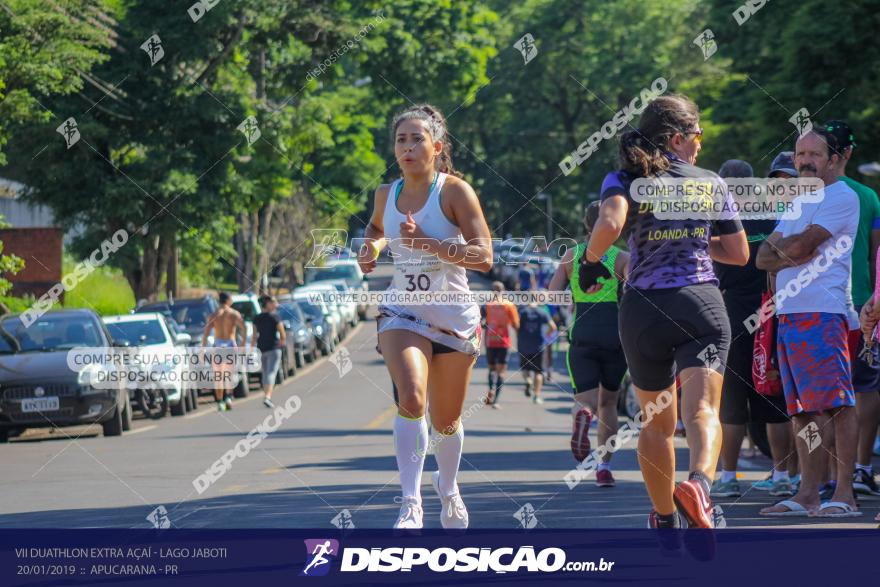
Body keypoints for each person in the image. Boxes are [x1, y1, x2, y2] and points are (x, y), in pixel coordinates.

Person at [580, 94, 748, 529]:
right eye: (697, 137)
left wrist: (592, 259)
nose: (700, 146)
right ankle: (700, 487)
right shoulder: (711, 181)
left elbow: (610, 225)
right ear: (677, 137)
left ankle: (664, 516)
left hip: (644, 311)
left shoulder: (623, 178)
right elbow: (738, 253)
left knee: (656, 425)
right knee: (702, 412)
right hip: (701, 306)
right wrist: (690, 238)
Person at [358, 103, 492, 530]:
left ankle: (448, 489)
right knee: (412, 397)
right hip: (403, 310)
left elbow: (484, 257)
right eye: (401, 139)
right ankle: (410, 502)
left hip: (453, 316)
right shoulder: (386, 194)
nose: (408, 146)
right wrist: (372, 248)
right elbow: (378, 229)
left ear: (437, 146)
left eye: (418, 139)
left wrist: (430, 242)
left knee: (446, 420)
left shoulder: (454, 192)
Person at [756, 128, 861, 518]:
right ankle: (807, 494)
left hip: (824, 313)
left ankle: (845, 494)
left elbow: (798, 247)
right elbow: (762, 258)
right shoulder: (799, 200)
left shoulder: (843, 197)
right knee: (801, 410)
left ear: (837, 157)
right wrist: (787, 252)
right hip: (790, 313)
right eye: (800, 154)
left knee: (836, 405)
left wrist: (787, 251)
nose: (804, 162)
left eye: (814, 154)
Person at [710, 159, 795, 499]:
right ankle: (782, 476)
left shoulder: (717, 222)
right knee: (772, 396)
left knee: (730, 402)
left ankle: (728, 478)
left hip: (728, 314)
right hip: (769, 312)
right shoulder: (775, 219)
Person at [549, 201, 630, 487]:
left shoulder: (571, 255)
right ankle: (604, 467)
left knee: (584, 400)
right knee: (608, 403)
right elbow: (635, 294)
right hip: (614, 333)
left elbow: (552, 294)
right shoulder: (621, 258)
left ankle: (583, 414)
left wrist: (572, 300)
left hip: (582, 329)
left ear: (586, 225)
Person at [823, 120, 880, 497]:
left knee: (828, 391)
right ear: (849, 154)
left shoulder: (806, 195)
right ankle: (860, 468)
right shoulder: (869, 197)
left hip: (823, 303)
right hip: (861, 299)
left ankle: (830, 477)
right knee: (865, 385)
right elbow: (877, 255)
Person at [202, 292, 246, 412]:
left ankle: (220, 401)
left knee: (219, 376)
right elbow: (243, 328)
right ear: (228, 300)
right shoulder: (234, 314)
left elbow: (205, 333)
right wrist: (242, 344)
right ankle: (228, 397)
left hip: (219, 344)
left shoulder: (214, 315)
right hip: (230, 343)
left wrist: (203, 349)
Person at [482, 281, 519, 408]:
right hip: (504, 341)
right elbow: (516, 325)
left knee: (491, 369)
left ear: (492, 291)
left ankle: (490, 389)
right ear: (504, 290)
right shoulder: (509, 305)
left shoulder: (487, 304)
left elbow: (481, 322)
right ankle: (496, 400)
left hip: (490, 341)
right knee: (501, 372)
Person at [517, 301, 556, 405]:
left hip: (523, 345)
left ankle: (528, 381)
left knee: (525, 368)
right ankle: (536, 395)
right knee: (538, 372)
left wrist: (519, 335)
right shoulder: (542, 312)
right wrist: (546, 336)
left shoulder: (522, 312)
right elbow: (553, 327)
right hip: (538, 345)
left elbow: (515, 325)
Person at [252, 295, 286, 408]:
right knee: (271, 373)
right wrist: (282, 342)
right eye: (273, 302)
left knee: (265, 373)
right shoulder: (275, 317)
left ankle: (266, 395)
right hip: (273, 348)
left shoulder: (257, 318)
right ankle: (267, 397)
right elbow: (282, 333)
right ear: (267, 304)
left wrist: (252, 348)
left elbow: (254, 336)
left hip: (262, 348)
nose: (276, 305)